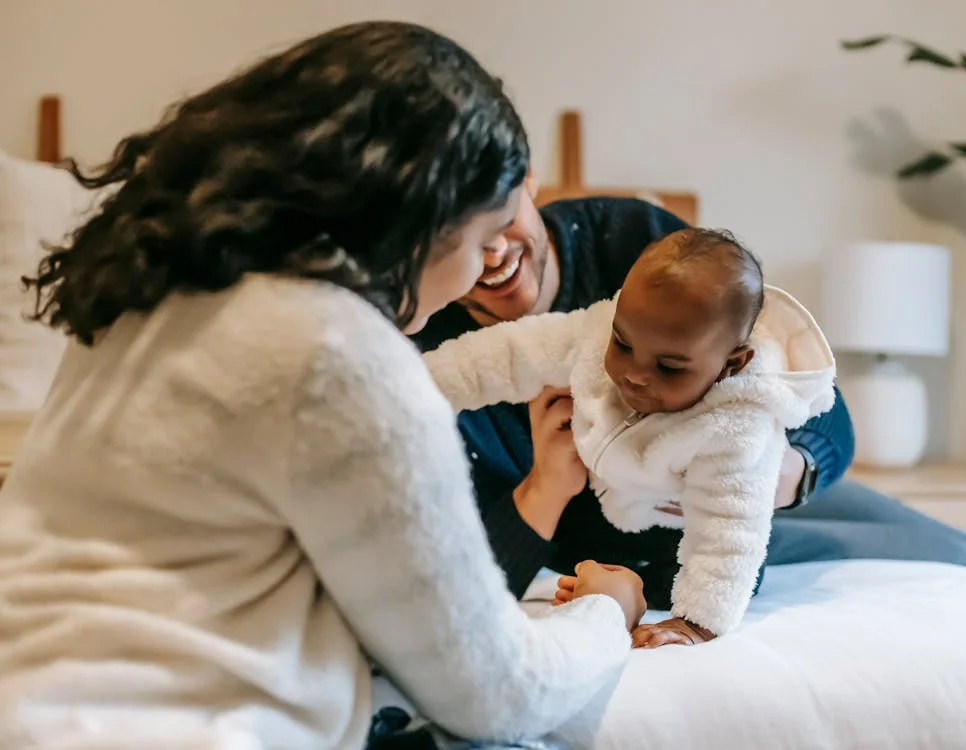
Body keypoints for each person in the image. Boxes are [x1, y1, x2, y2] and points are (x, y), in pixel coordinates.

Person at [0, 22, 646, 750]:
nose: (481, 269)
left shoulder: (148, 289)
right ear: (423, 221)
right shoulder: (341, 355)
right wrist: (605, 609)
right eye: (480, 238)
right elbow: (498, 694)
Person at [411, 172, 966, 613]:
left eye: (497, 214)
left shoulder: (641, 246)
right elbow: (468, 590)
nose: (491, 252)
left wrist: (781, 471)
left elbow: (820, 408)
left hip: (752, 493)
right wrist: (546, 486)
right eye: (449, 237)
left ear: (526, 179)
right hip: (659, 547)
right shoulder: (426, 357)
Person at [423, 228, 836, 648]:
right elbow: (506, 355)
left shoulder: (736, 426)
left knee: (723, 564)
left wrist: (695, 623)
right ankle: (617, 589)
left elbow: (730, 535)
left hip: (679, 527)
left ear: (732, 363)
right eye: (623, 344)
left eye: (670, 368)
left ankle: (630, 594)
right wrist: (418, 381)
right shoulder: (595, 331)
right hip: (603, 508)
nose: (635, 374)